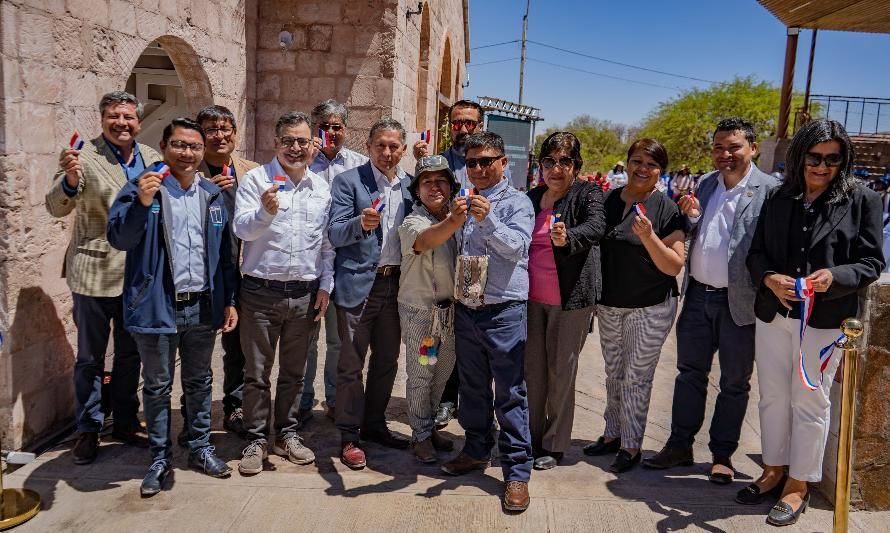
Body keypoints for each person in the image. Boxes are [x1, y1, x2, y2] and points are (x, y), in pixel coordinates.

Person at [743, 119, 884, 526]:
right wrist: (769, 278)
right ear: (799, 155)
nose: (823, 167)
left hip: (823, 321)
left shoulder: (863, 200)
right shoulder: (778, 196)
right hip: (774, 315)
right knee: (771, 396)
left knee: (809, 400)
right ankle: (773, 469)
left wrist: (833, 277)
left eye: (833, 159)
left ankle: (798, 484)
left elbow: (872, 262)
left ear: (844, 160)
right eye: (815, 158)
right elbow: (756, 254)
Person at [643, 118, 778, 485]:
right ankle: (679, 445)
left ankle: (722, 455)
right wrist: (688, 218)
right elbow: (692, 231)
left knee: (735, 382)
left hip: (742, 302)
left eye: (733, 147)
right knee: (690, 374)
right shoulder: (704, 184)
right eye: (718, 147)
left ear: (752, 148)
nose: (725, 154)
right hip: (698, 295)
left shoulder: (770, 190)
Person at [107, 118, 238, 496]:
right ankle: (159, 456)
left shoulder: (211, 195)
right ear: (164, 147)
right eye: (179, 145)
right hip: (157, 306)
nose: (188, 153)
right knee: (158, 385)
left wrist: (228, 299)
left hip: (201, 305)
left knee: (200, 381)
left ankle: (198, 446)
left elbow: (225, 256)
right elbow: (120, 237)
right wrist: (142, 203)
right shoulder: (142, 188)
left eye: (194, 147)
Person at [45, 91, 158, 464]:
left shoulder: (152, 158)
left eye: (128, 117)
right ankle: (88, 428)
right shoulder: (82, 156)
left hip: (137, 277)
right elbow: (56, 206)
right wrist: (70, 181)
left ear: (139, 122)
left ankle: (125, 420)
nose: (121, 123)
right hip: (94, 272)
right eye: (114, 116)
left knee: (130, 355)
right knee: (91, 358)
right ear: (102, 118)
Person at [439, 132, 535, 513]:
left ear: (502, 162)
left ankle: (516, 472)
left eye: (485, 161)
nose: (477, 169)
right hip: (468, 307)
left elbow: (517, 247)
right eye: (471, 162)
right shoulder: (461, 198)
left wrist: (489, 219)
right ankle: (476, 451)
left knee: (511, 394)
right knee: (474, 390)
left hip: (503, 310)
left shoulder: (518, 202)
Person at [233, 111, 332, 474]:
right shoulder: (256, 180)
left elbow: (326, 245)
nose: (295, 147)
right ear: (276, 143)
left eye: (302, 141)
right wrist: (264, 212)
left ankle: (287, 434)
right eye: (288, 140)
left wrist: (325, 286)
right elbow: (242, 230)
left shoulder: (321, 187)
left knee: (294, 372)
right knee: (257, 373)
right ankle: (255, 439)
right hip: (260, 293)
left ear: (311, 146)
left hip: (304, 295)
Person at [583, 139, 685, 473]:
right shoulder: (608, 200)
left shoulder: (666, 209)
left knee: (637, 378)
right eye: (637, 161)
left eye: (652, 165)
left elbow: (673, 266)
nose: (643, 169)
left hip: (650, 306)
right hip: (611, 305)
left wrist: (649, 237)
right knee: (614, 374)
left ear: (661, 171)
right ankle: (612, 433)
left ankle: (631, 445)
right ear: (626, 163)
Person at [413, 100, 509, 429]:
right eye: (457, 123)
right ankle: (435, 402)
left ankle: (472, 405)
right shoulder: (436, 161)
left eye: (470, 123)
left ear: (480, 125)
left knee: (465, 339)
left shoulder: (489, 163)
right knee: (432, 341)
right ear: (449, 126)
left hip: (472, 268)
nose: (463, 129)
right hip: (436, 269)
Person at [328, 118, 414, 469]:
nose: (387, 152)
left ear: (404, 149)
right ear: (369, 146)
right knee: (351, 365)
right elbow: (334, 233)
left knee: (387, 361)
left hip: (396, 287)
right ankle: (349, 434)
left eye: (394, 146)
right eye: (381, 145)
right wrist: (358, 225)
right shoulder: (348, 182)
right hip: (359, 286)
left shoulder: (411, 187)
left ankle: (375, 424)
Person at [524, 132, 604, 470]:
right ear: (540, 165)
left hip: (570, 301)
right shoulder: (531, 197)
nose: (556, 169)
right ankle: (529, 437)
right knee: (533, 373)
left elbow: (597, 226)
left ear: (576, 166)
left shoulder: (587, 193)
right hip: (530, 300)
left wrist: (568, 236)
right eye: (549, 162)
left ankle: (554, 445)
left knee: (561, 372)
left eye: (564, 162)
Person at [191, 104, 259, 438]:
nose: (220, 135)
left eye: (225, 128)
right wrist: (205, 194)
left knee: (238, 350)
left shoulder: (251, 171)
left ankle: (235, 408)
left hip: (242, 273)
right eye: (212, 129)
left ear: (234, 133)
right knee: (197, 351)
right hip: (203, 275)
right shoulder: (190, 173)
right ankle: (195, 418)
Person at [299, 99, 369, 424]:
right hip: (310, 265)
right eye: (323, 126)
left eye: (336, 126)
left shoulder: (359, 165)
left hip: (346, 266)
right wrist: (305, 162)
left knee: (339, 341)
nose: (330, 132)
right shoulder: (302, 163)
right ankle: (301, 404)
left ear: (345, 129)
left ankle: (334, 400)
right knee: (307, 341)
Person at [396, 155, 461, 463]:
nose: (434, 187)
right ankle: (420, 436)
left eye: (441, 181)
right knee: (423, 373)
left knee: (442, 373)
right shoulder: (414, 221)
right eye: (426, 182)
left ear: (451, 186)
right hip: (423, 316)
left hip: (449, 315)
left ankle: (430, 425)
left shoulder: (455, 218)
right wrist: (455, 221)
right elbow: (426, 240)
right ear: (417, 189)